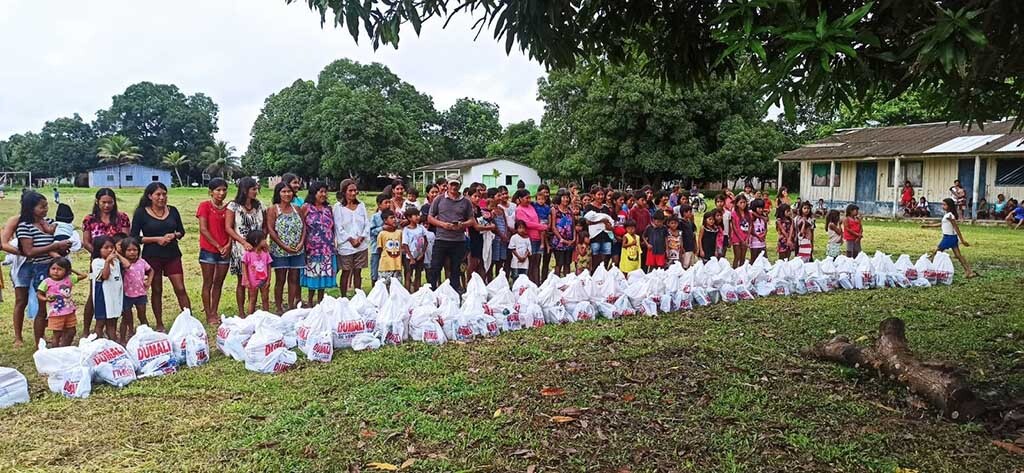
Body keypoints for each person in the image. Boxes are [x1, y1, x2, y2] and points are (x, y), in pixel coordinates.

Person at [130, 182, 190, 332]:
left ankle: (189, 319)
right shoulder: (141, 213)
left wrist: (174, 235)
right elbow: (135, 238)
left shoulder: (173, 211)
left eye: (164, 194)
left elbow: (181, 231)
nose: (162, 197)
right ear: (150, 196)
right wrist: (156, 239)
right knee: (157, 290)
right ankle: (159, 323)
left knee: (180, 288)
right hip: (152, 256)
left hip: (172, 254)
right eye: (158, 194)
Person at [18, 191, 73, 346]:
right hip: (41, 269)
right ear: (30, 208)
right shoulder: (25, 226)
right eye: (42, 207)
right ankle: (39, 341)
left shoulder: (49, 222)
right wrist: (54, 246)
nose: (46, 209)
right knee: (43, 308)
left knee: (61, 303)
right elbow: (29, 251)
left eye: (46, 205)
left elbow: (60, 236)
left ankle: (58, 339)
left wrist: (64, 246)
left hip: (57, 266)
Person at [80, 188, 131, 334]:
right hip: (97, 261)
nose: (107, 206)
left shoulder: (122, 218)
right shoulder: (89, 219)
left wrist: (115, 256)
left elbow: (125, 240)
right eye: (103, 202)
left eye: (110, 202)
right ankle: (86, 329)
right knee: (95, 294)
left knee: (118, 292)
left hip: (118, 261)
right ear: (97, 202)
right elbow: (86, 241)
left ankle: (117, 328)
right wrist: (99, 256)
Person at [225, 177, 266, 319]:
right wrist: (243, 242)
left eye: (256, 189)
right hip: (242, 249)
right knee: (243, 280)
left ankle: (256, 310)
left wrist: (262, 242)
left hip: (259, 250)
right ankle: (242, 312)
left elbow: (265, 225)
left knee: (260, 279)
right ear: (245, 190)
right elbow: (229, 228)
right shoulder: (233, 206)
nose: (256, 191)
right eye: (253, 189)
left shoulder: (260, 205)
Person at [428, 176, 475, 292]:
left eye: (456, 184)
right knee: (435, 267)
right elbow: (430, 217)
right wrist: (442, 224)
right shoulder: (439, 199)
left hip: (458, 240)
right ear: (447, 185)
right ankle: (430, 292)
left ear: (459, 186)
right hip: (441, 238)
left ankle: (454, 293)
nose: (454, 187)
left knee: (456, 269)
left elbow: (471, 220)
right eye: (451, 184)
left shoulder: (466, 201)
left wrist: (462, 225)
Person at [267, 181, 305, 313]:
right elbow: (271, 230)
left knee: (294, 278)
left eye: (289, 191)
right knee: (281, 279)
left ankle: (291, 306)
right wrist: (283, 246)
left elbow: (304, 227)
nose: (287, 194)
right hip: (280, 251)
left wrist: (301, 243)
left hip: (297, 250)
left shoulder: (297, 208)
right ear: (278, 193)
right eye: (283, 191)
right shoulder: (273, 209)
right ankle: (279, 306)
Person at [196, 178, 230, 325]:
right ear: (211, 192)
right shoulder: (204, 206)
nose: (221, 193)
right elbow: (203, 229)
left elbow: (231, 228)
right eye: (218, 190)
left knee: (219, 283)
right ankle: (208, 313)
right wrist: (218, 245)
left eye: (224, 190)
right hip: (209, 250)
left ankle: (215, 311)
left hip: (225, 250)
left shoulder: (229, 208)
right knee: (208, 282)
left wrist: (228, 245)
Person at [36, 257, 86, 347]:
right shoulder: (46, 282)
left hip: (69, 312)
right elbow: (39, 294)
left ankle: (65, 347)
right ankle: (56, 351)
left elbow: (83, 275)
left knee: (71, 331)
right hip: (56, 313)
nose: (55, 271)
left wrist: (71, 269)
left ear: (66, 271)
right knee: (57, 334)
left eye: (60, 269)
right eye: (53, 268)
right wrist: (46, 299)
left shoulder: (69, 279)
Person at [922, 198, 977, 278]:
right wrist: (928, 226)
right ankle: (969, 271)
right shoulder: (947, 215)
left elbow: (956, 227)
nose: (942, 206)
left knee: (935, 253)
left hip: (948, 238)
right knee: (958, 255)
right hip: (951, 237)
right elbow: (941, 224)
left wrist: (962, 240)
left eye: (944, 204)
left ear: (949, 206)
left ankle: (927, 270)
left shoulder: (950, 216)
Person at [301, 182, 336, 306]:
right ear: (314, 192)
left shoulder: (328, 209)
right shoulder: (306, 207)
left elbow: (332, 228)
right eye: (321, 191)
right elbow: (302, 227)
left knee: (323, 277)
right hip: (312, 248)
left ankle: (321, 302)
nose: (324, 194)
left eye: (325, 192)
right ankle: (310, 302)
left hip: (327, 247)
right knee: (313, 276)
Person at [333, 179, 369, 297]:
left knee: (358, 271)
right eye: (350, 191)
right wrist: (350, 239)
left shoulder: (361, 205)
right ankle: (344, 296)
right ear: (344, 192)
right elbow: (338, 227)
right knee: (346, 271)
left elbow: (366, 223)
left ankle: (358, 295)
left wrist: (361, 237)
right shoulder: (338, 207)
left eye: (355, 190)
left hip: (361, 244)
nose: (353, 193)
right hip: (346, 246)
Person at [89, 236, 123, 341]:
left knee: (112, 320)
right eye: (106, 247)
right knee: (101, 321)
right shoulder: (97, 262)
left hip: (115, 295)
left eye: (112, 247)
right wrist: (107, 262)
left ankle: (113, 341)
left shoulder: (116, 261)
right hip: (103, 296)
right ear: (98, 249)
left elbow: (127, 265)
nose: (109, 250)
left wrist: (117, 256)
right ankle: (97, 341)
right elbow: (105, 276)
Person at [118, 237, 151, 341]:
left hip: (140, 293)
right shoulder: (122, 264)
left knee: (142, 315)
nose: (132, 252)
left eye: (135, 250)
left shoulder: (142, 262)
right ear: (123, 251)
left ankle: (147, 335)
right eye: (129, 250)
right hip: (126, 294)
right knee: (126, 318)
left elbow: (151, 271)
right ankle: (125, 337)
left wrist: (149, 281)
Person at [514, 189, 547, 284]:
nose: (529, 200)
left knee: (537, 263)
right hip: (529, 239)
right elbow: (526, 224)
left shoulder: (531, 207)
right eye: (526, 198)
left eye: (530, 198)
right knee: (530, 264)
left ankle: (536, 284)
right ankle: (529, 284)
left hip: (538, 238)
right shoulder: (519, 209)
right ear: (520, 198)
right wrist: (542, 226)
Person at [239, 230, 272, 315]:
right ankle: (250, 318)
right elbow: (244, 266)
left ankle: (266, 317)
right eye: (264, 239)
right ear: (257, 241)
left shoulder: (265, 253)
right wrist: (246, 279)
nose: (265, 241)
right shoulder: (248, 254)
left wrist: (268, 280)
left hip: (264, 280)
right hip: (252, 281)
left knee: (265, 298)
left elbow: (269, 266)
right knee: (252, 299)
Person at [584, 186, 615, 272]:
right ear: (593, 196)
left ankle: (603, 278)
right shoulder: (589, 207)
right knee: (595, 258)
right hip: (594, 237)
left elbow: (609, 220)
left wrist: (609, 226)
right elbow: (587, 221)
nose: (601, 197)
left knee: (605, 258)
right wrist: (601, 221)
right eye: (598, 194)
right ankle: (594, 277)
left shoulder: (605, 208)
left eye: (602, 194)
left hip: (606, 236)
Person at [401, 207, 428, 291]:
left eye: (418, 215)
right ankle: (407, 293)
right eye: (415, 215)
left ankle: (417, 292)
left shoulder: (421, 228)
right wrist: (411, 258)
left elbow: (426, 240)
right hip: (409, 257)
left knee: (418, 274)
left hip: (419, 255)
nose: (417, 217)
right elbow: (405, 244)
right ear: (409, 218)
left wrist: (422, 253)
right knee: (408, 274)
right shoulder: (406, 230)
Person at [550, 193, 576, 277]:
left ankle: (566, 281)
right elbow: (553, 227)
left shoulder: (570, 211)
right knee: (559, 263)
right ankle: (557, 282)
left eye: (567, 198)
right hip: (559, 242)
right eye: (564, 197)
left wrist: (574, 239)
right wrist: (561, 239)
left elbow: (573, 226)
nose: (566, 199)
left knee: (567, 264)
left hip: (569, 241)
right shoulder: (555, 210)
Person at [368, 193, 392, 283]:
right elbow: (371, 231)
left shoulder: (392, 216)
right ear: (379, 205)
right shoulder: (375, 217)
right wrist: (382, 228)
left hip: (389, 249)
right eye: (386, 203)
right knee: (375, 271)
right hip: (376, 249)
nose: (388, 205)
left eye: (389, 202)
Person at [533, 184, 553, 281]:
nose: (545, 195)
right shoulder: (534, 205)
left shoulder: (549, 206)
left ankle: (544, 280)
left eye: (547, 192)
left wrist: (549, 226)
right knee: (536, 261)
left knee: (546, 260)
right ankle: (536, 281)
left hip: (548, 232)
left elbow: (550, 218)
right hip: (536, 234)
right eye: (543, 193)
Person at [376, 210, 402, 282]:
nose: (394, 220)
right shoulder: (382, 234)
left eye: (394, 218)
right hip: (385, 266)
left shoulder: (399, 232)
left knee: (396, 287)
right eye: (391, 218)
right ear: (385, 220)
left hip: (397, 266)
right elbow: (379, 249)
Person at [729, 195, 751, 268]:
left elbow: (750, 226)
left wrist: (747, 238)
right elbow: (734, 227)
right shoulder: (734, 214)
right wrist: (741, 239)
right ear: (737, 204)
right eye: (741, 202)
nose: (743, 204)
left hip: (745, 237)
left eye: (744, 202)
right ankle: (734, 271)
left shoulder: (748, 214)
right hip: (737, 237)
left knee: (743, 257)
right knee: (737, 256)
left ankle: (741, 272)